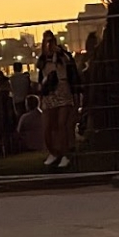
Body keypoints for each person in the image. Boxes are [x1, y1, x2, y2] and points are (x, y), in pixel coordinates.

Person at [36, 31, 80, 169]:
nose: (48, 45)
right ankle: (54, 152)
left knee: (62, 124)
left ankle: (65, 154)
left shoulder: (62, 56)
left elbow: (70, 67)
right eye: (46, 42)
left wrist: (59, 52)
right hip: (49, 92)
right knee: (48, 126)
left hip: (62, 89)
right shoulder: (42, 60)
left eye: (50, 42)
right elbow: (40, 72)